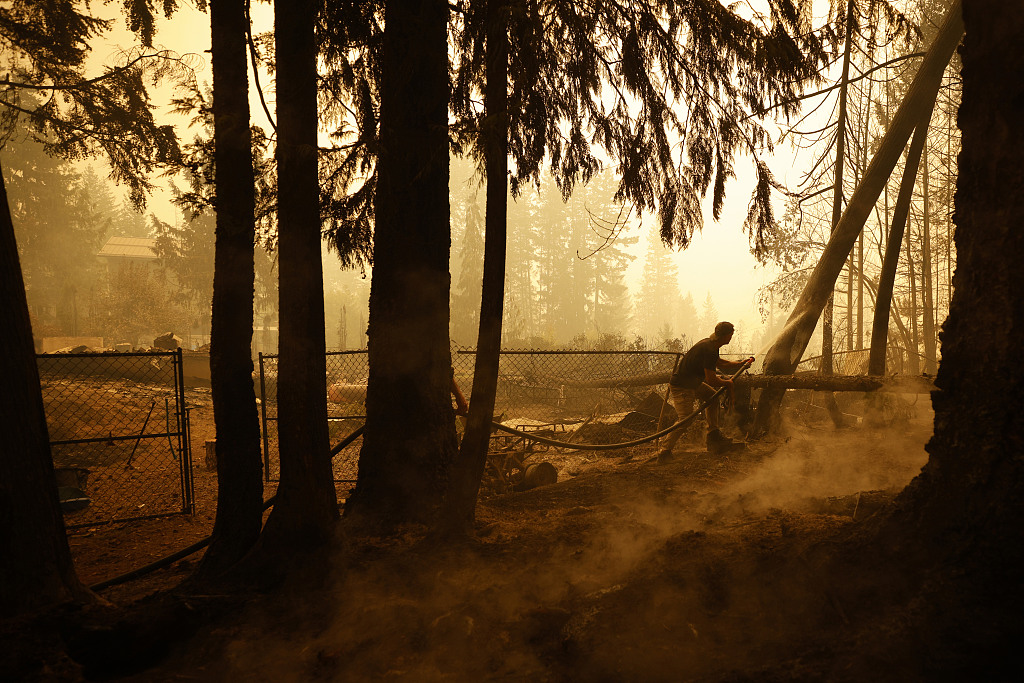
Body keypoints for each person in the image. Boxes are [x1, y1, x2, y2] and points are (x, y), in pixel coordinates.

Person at [657, 321, 752, 460]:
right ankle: (664, 451)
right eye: (730, 335)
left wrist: (739, 364)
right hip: (682, 386)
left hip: (692, 383)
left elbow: (718, 362)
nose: (731, 338)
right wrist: (728, 383)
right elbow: (712, 380)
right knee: (685, 419)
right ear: (725, 336)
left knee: (712, 398)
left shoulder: (711, 344)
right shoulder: (709, 348)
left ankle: (713, 435)